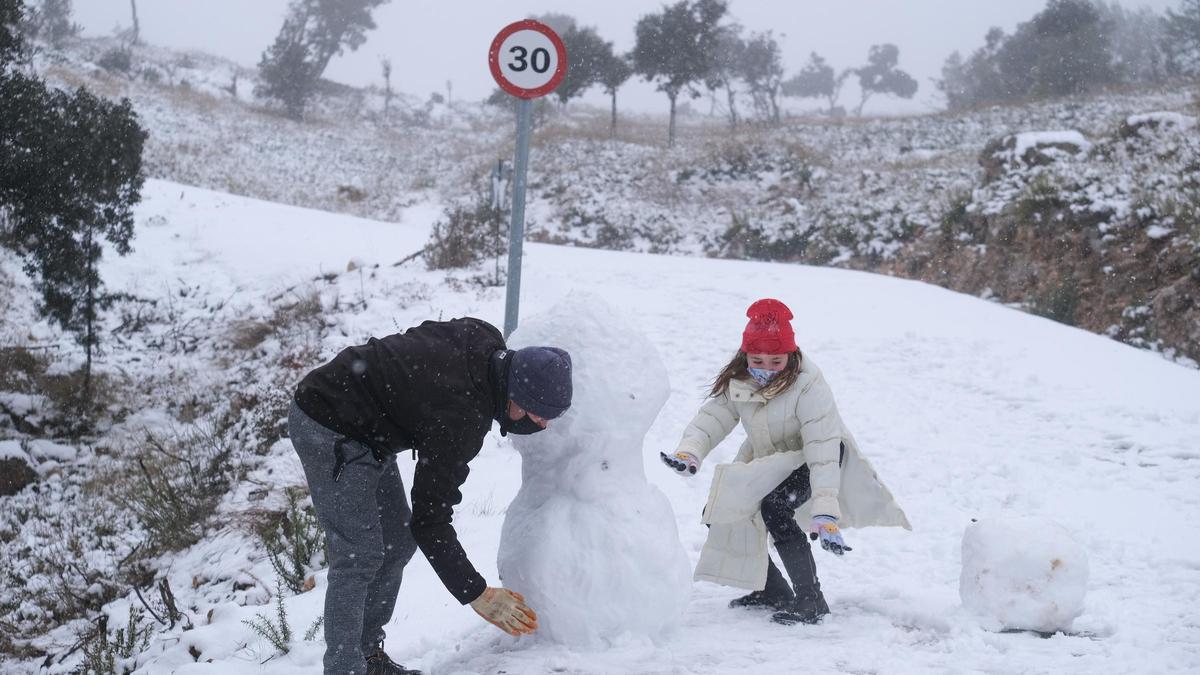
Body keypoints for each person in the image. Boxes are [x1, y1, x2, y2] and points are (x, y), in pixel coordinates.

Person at [289, 316, 573, 675]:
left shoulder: (484, 338)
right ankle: (345, 668)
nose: (542, 425)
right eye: (537, 415)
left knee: (396, 540)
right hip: (328, 420)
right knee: (358, 555)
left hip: (368, 425)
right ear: (515, 396)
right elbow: (431, 521)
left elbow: (419, 346)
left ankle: (367, 657)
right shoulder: (461, 419)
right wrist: (477, 593)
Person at [662, 298, 910, 625]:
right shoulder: (744, 381)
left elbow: (821, 448)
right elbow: (714, 417)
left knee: (775, 507)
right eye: (757, 359)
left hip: (817, 455)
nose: (765, 369)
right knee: (724, 509)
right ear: (745, 355)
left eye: (776, 360)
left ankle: (811, 600)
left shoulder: (807, 386)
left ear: (791, 356)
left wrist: (825, 511)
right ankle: (773, 589)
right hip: (773, 458)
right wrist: (690, 450)